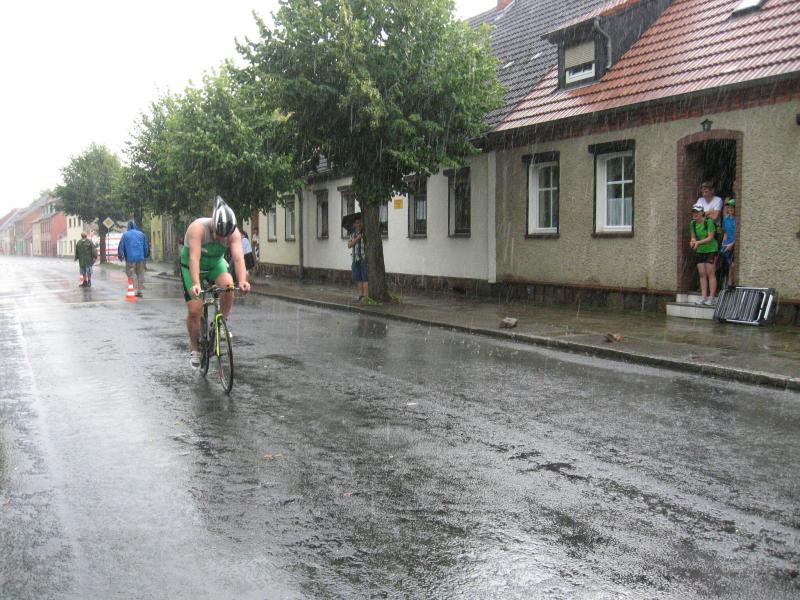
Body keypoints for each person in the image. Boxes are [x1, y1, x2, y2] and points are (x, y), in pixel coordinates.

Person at [181, 197, 251, 368]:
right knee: (195, 309)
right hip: (192, 266)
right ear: (213, 224)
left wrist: (243, 280)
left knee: (228, 285)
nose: (221, 239)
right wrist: (196, 283)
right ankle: (195, 348)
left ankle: (221, 324)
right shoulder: (197, 228)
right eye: (219, 235)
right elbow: (194, 258)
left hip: (215, 264)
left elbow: (238, 259)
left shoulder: (233, 233)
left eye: (224, 237)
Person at [689, 202, 719, 306]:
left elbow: (710, 237)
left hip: (711, 249)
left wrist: (698, 242)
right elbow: (693, 236)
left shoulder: (709, 222)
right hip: (700, 250)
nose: (695, 214)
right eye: (693, 212)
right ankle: (703, 296)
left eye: (697, 212)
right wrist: (692, 241)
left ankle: (712, 297)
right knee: (702, 274)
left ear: (702, 212)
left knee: (711, 273)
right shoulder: (693, 223)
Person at [118, 219, 150, 297]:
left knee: (130, 274)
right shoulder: (141, 234)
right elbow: (146, 246)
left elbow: (121, 246)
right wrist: (146, 254)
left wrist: (120, 256)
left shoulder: (125, 235)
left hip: (130, 258)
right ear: (135, 226)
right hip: (140, 258)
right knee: (140, 274)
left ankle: (131, 289)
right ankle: (139, 291)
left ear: (128, 226)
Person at [347, 215, 368, 302]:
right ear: (354, 224)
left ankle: (366, 296)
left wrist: (361, 237)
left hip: (363, 258)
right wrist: (357, 239)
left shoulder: (365, 233)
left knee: (365, 277)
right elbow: (349, 245)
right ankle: (360, 295)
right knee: (358, 278)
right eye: (356, 223)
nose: (358, 224)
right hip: (355, 258)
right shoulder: (352, 234)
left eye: (359, 222)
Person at [720, 198, 737, 288]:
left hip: (734, 244)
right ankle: (727, 283)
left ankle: (730, 283)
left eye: (732, 207)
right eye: (729, 207)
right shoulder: (726, 219)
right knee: (726, 264)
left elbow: (738, 235)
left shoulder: (737, 220)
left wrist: (732, 244)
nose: (730, 209)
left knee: (733, 264)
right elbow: (726, 232)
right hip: (727, 244)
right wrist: (723, 242)